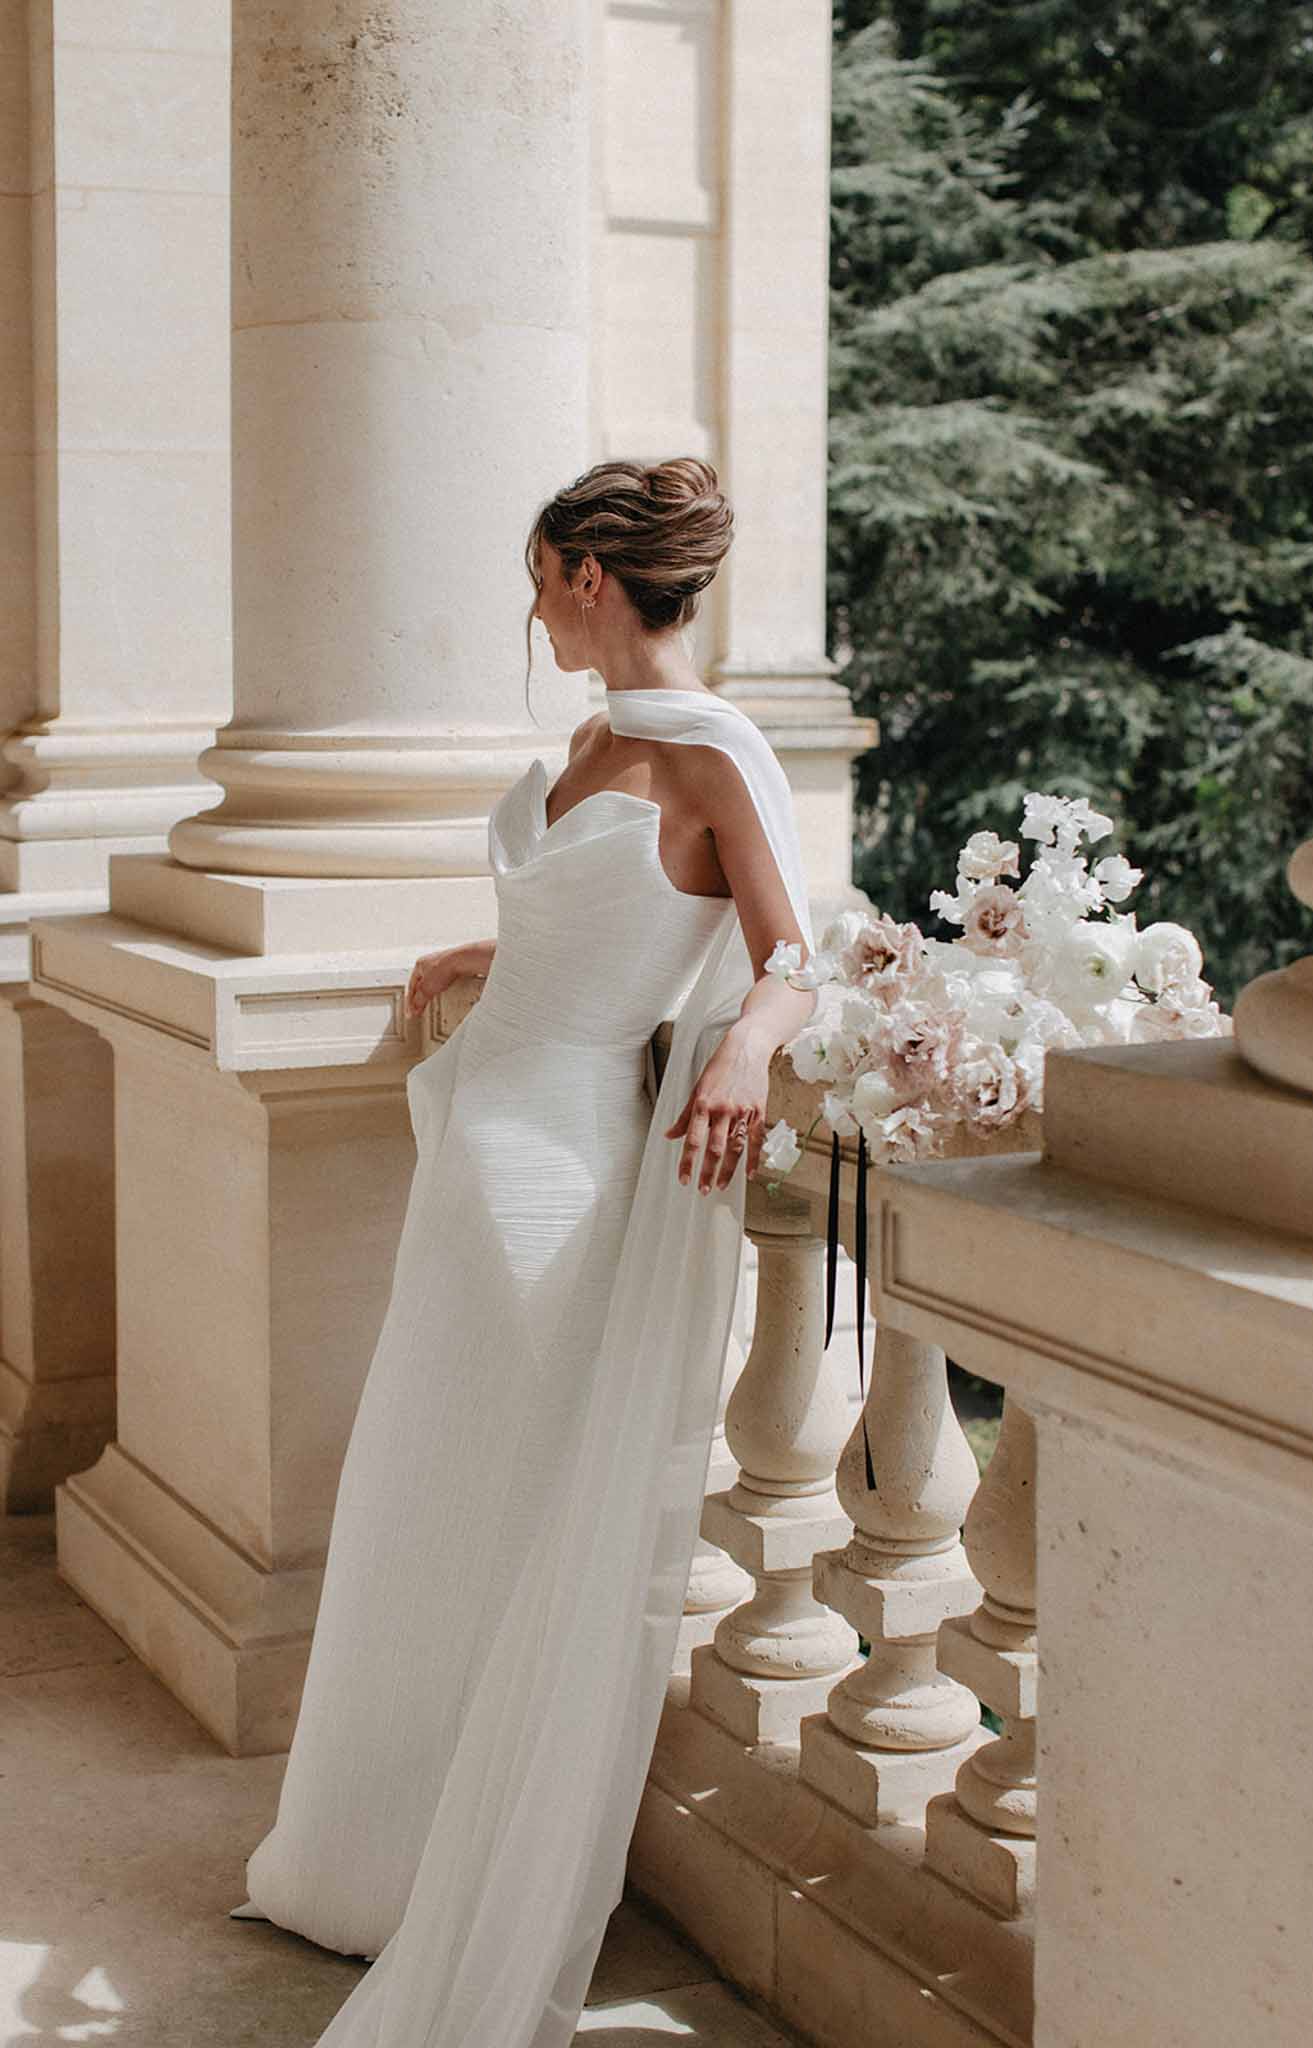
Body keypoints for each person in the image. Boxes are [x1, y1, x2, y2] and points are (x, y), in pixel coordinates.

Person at [228, 456, 818, 2047]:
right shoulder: (590, 742)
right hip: (477, 1133)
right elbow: (603, 920)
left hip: (561, 1167)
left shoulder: (710, 750)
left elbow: (788, 952)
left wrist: (752, 1049)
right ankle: (378, 1861)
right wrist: (492, 945)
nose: (528, 604)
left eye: (536, 575)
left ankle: (479, 1878)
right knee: (432, 1493)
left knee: (514, 1507)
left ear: (582, 575)